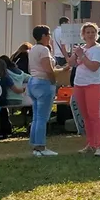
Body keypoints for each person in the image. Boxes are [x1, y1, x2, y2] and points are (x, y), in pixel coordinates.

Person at [28, 25, 67, 156]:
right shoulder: (44, 50)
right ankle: (41, 146)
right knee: (42, 118)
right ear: (44, 36)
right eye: (48, 34)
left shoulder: (33, 49)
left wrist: (61, 70)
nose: (50, 37)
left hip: (33, 82)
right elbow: (48, 69)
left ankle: (35, 145)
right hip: (43, 83)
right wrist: (53, 82)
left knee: (36, 117)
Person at [72, 23, 100, 156]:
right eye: (88, 32)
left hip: (93, 84)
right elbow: (71, 63)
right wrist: (74, 53)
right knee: (85, 116)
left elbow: (94, 67)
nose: (91, 34)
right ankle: (91, 143)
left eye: (93, 32)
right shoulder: (82, 48)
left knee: (94, 115)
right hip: (79, 84)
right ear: (83, 35)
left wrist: (82, 56)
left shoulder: (99, 49)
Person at [0, 56, 26, 138]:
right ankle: (4, 131)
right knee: (3, 113)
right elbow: (15, 89)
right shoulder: (5, 77)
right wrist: (23, 90)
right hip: (1, 100)